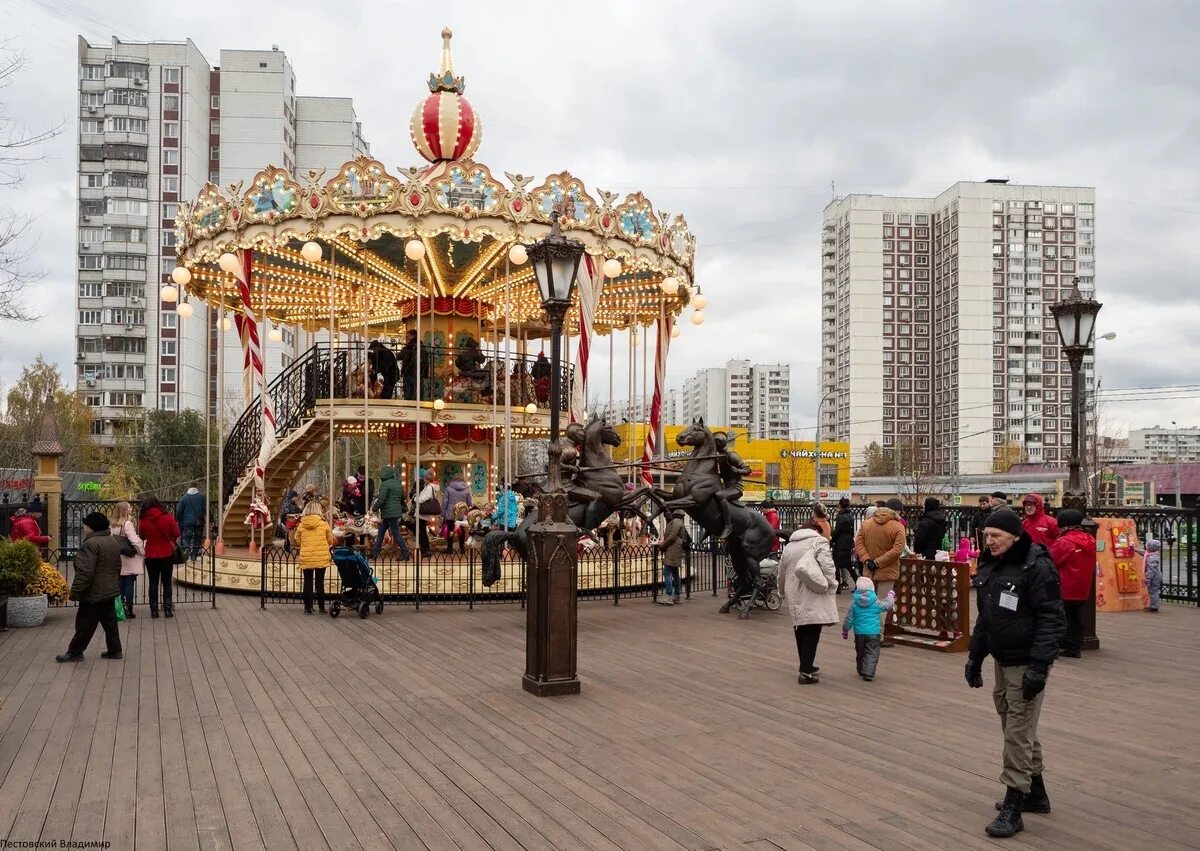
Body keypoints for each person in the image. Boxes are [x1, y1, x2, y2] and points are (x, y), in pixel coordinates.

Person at [964, 506, 1066, 839]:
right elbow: (986, 616)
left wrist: (1038, 667)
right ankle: (1036, 792)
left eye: (996, 536)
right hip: (1002, 657)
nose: (989, 541)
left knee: (1018, 729)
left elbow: (1052, 618)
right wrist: (975, 658)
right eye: (987, 535)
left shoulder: (1036, 566)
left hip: (1026, 660)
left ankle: (1014, 803)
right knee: (1014, 723)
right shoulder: (992, 563)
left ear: (1015, 536)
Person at [56, 512, 123, 662]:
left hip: (94, 592)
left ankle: (74, 652)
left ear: (92, 528)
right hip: (109, 589)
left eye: (85, 526)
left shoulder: (90, 544)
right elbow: (117, 567)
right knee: (110, 622)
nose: (84, 528)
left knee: (84, 623)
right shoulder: (112, 541)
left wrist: (75, 592)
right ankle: (114, 650)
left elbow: (84, 572)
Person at [778, 519, 838, 684]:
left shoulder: (790, 545)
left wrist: (782, 591)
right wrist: (832, 585)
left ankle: (807, 664)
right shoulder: (819, 541)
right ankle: (805, 672)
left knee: (800, 629)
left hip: (793, 592)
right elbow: (828, 567)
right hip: (811, 590)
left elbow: (781, 571)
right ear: (817, 530)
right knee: (813, 629)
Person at [853, 504, 906, 641]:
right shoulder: (898, 526)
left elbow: (858, 544)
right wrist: (878, 562)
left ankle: (863, 631)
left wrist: (867, 560)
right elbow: (898, 550)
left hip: (868, 570)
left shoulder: (866, 524)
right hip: (887, 569)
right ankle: (878, 635)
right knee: (882, 601)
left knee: (866, 601)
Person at [1047, 509, 1094, 657]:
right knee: (1078, 616)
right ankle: (1075, 647)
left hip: (1065, 585)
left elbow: (1052, 560)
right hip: (1083, 585)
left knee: (1060, 617)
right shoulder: (1090, 540)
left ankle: (1059, 645)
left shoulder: (1065, 542)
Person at [841, 576, 896, 681]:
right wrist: (890, 595)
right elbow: (888, 605)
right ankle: (868, 672)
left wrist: (845, 631)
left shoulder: (853, 604)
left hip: (859, 633)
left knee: (860, 652)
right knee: (872, 652)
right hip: (873, 633)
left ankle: (861, 669)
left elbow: (849, 619)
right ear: (872, 589)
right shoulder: (876, 603)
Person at [139, 497, 181, 619]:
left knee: (153, 582)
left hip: (151, 555)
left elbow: (142, 536)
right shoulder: (167, 517)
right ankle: (168, 610)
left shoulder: (144, 520)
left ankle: (154, 611)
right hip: (167, 553)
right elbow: (177, 533)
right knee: (167, 582)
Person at [295, 501, 334, 614]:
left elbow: (297, 540)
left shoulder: (302, 524)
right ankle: (321, 607)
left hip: (306, 556)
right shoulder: (323, 524)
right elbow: (330, 540)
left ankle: (308, 607)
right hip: (321, 556)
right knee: (319, 582)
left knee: (307, 581)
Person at [369, 466, 412, 560]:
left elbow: (381, 499)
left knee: (395, 533)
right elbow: (404, 495)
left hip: (389, 512)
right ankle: (374, 553)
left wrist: (374, 508)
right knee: (381, 532)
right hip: (395, 512)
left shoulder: (385, 484)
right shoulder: (397, 483)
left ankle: (406, 553)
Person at [713, 431, 750, 538]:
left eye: (714, 444)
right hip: (726, 487)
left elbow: (747, 470)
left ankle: (728, 526)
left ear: (719, 443)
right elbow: (725, 474)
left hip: (735, 488)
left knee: (720, 496)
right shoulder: (720, 457)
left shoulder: (732, 455)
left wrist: (737, 471)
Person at [112, 501, 144, 620]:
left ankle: (119, 610)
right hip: (129, 558)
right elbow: (134, 541)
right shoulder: (127, 524)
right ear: (125, 510)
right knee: (129, 584)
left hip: (119, 557)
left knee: (120, 585)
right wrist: (142, 551)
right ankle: (129, 610)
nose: (131, 509)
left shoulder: (113, 525)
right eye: (129, 507)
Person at [657, 509, 686, 605]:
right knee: (674, 572)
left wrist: (663, 545)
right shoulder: (676, 522)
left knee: (667, 572)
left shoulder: (677, 521)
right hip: (673, 548)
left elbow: (672, 536)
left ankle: (669, 595)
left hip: (673, 549)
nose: (666, 517)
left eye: (667, 515)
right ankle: (676, 595)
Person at [441, 472, 473, 552]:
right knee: (461, 530)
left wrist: (443, 513)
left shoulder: (448, 488)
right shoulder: (467, 488)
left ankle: (449, 548)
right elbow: (470, 503)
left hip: (450, 512)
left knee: (450, 529)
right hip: (461, 513)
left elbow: (445, 502)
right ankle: (462, 548)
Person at [830, 497, 857, 592]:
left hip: (840, 544)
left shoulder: (840, 518)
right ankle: (858, 583)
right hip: (847, 544)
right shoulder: (851, 516)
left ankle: (837, 588)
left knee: (836, 566)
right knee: (848, 565)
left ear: (840, 506)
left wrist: (831, 538)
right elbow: (851, 531)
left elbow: (837, 532)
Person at [414, 469, 441, 558]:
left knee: (422, 531)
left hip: (423, 513)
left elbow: (423, 498)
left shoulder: (430, 487)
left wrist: (416, 499)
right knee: (422, 530)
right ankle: (425, 549)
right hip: (423, 513)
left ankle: (425, 550)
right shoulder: (432, 486)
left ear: (427, 478)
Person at [174, 486, 206, 560]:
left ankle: (187, 547)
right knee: (198, 538)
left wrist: (179, 520)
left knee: (186, 537)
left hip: (187, 522)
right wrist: (210, 518)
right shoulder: (202, 497)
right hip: (199, 522)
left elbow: (179, 511)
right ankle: (194, 555)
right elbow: (205, 508)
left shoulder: (184, 498)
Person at [1143, 538, 1162, 613]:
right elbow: (1143, 553)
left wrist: (1148, 579)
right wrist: (1135, 549)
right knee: (1152, 591)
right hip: (1154, 575)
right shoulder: (1150, 554)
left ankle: (1154, 607)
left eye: (1147, 545)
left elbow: (1151, 570)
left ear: (1151, 547)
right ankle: (1153, 605)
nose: (1146, 547)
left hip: (1154, 576)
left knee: (1153, 591)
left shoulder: (1152, 557)